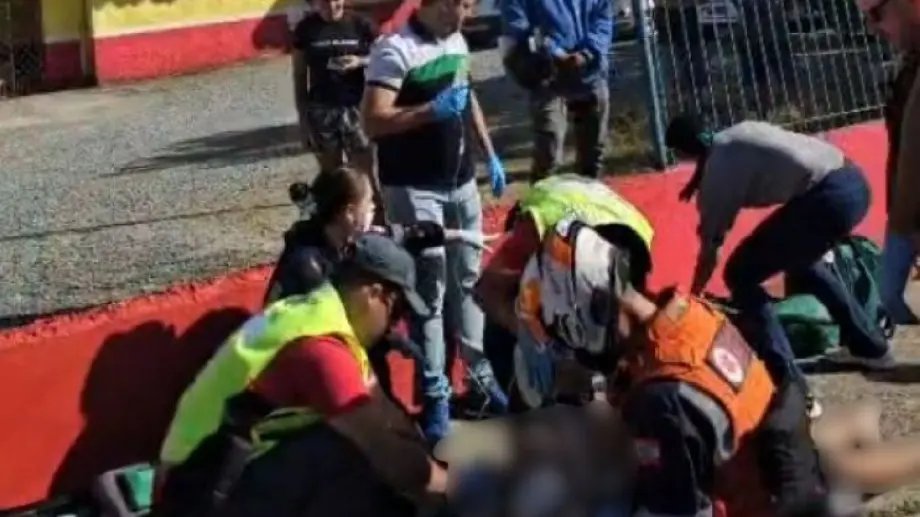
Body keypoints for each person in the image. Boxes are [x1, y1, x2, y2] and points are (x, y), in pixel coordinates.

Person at [154, 233, 448, 516]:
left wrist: (429, 462)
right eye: (396, 312)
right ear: (374, 294)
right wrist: (454, 493)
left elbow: (385, 413)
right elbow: (385, 451)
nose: (395, 327)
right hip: (197, 490)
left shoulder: (325, 316)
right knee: (348, 451)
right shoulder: (319, 345)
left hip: (221, 470)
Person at [361, 0, 508, 444]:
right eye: (459, 5)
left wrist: (489, 152)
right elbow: (373, 121)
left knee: (469, 282)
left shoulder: (456, 41)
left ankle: (480, 380)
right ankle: (436, 396)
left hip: (460, 182)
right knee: (430, 294)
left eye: (470, 5)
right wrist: (428, 111)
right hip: (414, 188)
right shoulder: (395, 50)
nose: (465, 15)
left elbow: (467, 96)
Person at [664, 117, 895, 392]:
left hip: (827, 197)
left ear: (683, 151)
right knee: (802, 261)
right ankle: (871, 347)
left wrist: (694, 297)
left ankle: (787, 380)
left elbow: (710, 252)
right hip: (854, 183)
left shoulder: (718, 172)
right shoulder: (737, 133)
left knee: (740, 273)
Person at [474, 174, 653, 397]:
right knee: (501, 334)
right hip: (553, 212)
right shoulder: (535, 232)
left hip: (594, 218)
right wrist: (533, 339)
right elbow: (486, 291)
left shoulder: (635, 256)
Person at [857, 0, 920, 326]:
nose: (872, 28)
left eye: (876, 13)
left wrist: (902, 228)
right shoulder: (908, 69)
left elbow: (913, 156)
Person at [501, 0, 613, 180]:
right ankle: (541, 193)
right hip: (547, 74)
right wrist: (555, 52)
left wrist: (588, 53)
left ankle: (589, 191)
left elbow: (603, 17)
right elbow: (519, 29)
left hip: (590, 72)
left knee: (593, 153)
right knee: (549, 150)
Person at [291, 0, 381, 210]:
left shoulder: (361, 24)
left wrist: (359, 61)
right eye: (324, 1)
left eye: (335, 0)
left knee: (364, 176)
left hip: (356, 108)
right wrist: (303, 121)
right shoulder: (305, 29)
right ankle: (335, 223)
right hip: (322, 111)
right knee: (332, 178)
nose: (331, 5)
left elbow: (383, 57)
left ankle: (377, 222)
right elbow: (299, 76)